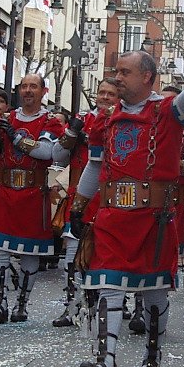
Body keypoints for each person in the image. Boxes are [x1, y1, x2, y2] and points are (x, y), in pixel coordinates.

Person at [71, 39, 184, 367]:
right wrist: (79, 205)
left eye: (125, 72)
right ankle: (106, 362)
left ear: (147, 77)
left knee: (154, 292)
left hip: (153, 219)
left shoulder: (168, 111)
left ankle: (152, 356)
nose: (117, 78)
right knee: (108, 285)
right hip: (112, 217)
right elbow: (94, 167)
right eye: (116, 71)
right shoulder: (105, 119)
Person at [0, 74, 66, 324]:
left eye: (33, 86)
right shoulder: (6, 118)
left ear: (43, 91)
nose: (28, 91)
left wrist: (15, 137)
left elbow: (46, 152)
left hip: (32, 194)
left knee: (30, 250)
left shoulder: (50, 122)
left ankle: (21, 304)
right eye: (24, 86)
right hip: (5, 190)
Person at [52, 78, 120, 328]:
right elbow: (57, 156)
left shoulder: (122, 121)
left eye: (111, 94)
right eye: (102, 92)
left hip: (110, 198)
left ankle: (106, 304)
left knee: (107, 256)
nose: (105, 97)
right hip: (80, 196)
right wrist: (72, 133)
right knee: (73, 255)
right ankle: (72, 306)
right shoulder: (82, 118)